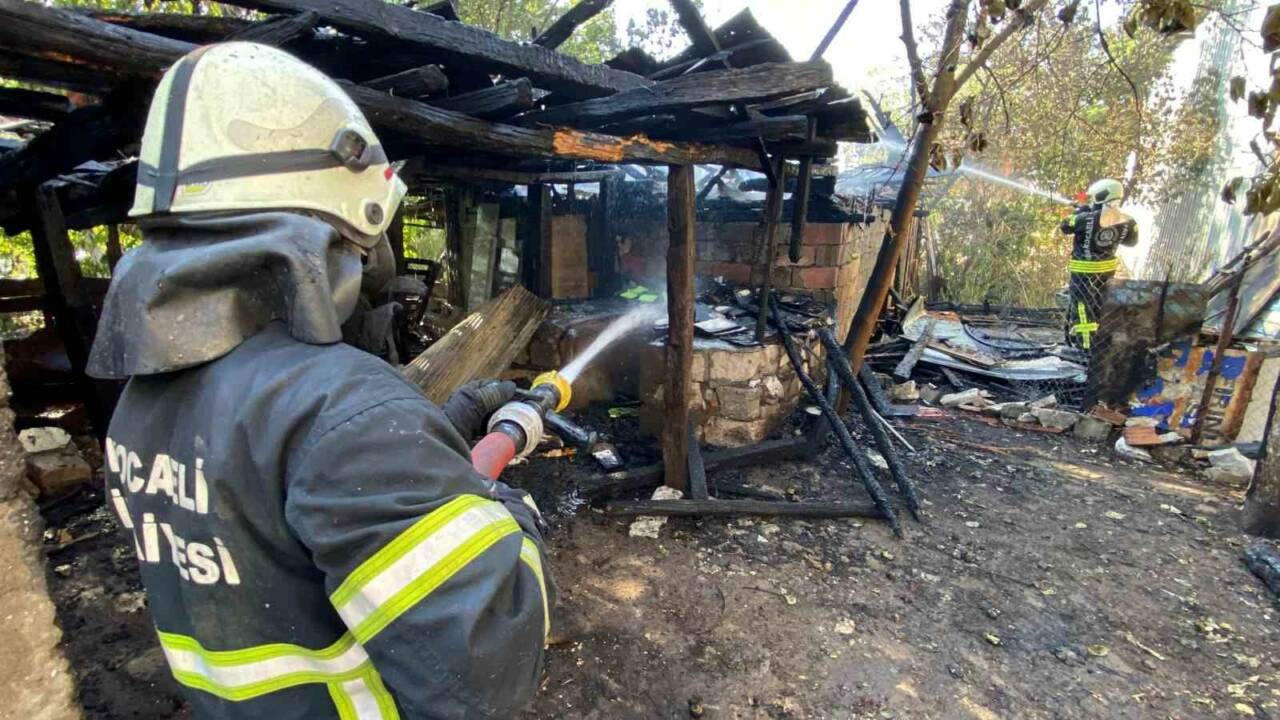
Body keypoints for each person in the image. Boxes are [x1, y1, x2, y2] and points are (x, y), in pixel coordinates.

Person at [86, 42, 551, 719]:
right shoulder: (341, 409)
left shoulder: (141, 405)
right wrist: (497, 504)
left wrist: (444, 427)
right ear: (331, 230)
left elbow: (275, 498)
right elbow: (488, 661)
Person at [1058, 178, 1138, 352]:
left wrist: (1081, 211)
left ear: (1101, 196)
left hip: (1082, 275)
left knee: (1081, 310)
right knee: (1097, 307)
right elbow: (1132, 241)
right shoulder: (1128, 221)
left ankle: (1084, 350)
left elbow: (1064, 226)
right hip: (1106, 275)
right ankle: (1096, 345)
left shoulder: (1085, 218)